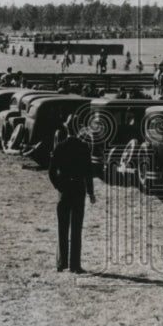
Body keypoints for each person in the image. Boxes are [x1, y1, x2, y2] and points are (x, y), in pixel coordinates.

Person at [48, 117, 96, 273]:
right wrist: (91, 192)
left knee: (62, 227)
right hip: (78, 190)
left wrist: (59, 185)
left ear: (66, 129)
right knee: (76, 228)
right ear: (79, 129)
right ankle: (75, 265)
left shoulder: (60, 147)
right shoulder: (84, 147)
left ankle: (61, 263)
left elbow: (51, 171)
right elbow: (89, 173)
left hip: (65, 190)